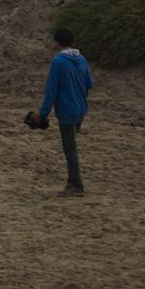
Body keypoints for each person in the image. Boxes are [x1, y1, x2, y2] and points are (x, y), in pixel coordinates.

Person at [37, 26, 94, 196]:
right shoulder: (81, 59)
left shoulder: (58, 62)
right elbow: (89, 83)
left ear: (58, 43)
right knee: (71, 146)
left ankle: (76, 185)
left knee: (70, 149)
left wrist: (42, 114)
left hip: (67, 110)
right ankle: (72, 182)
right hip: (81, 109)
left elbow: (51, 91)